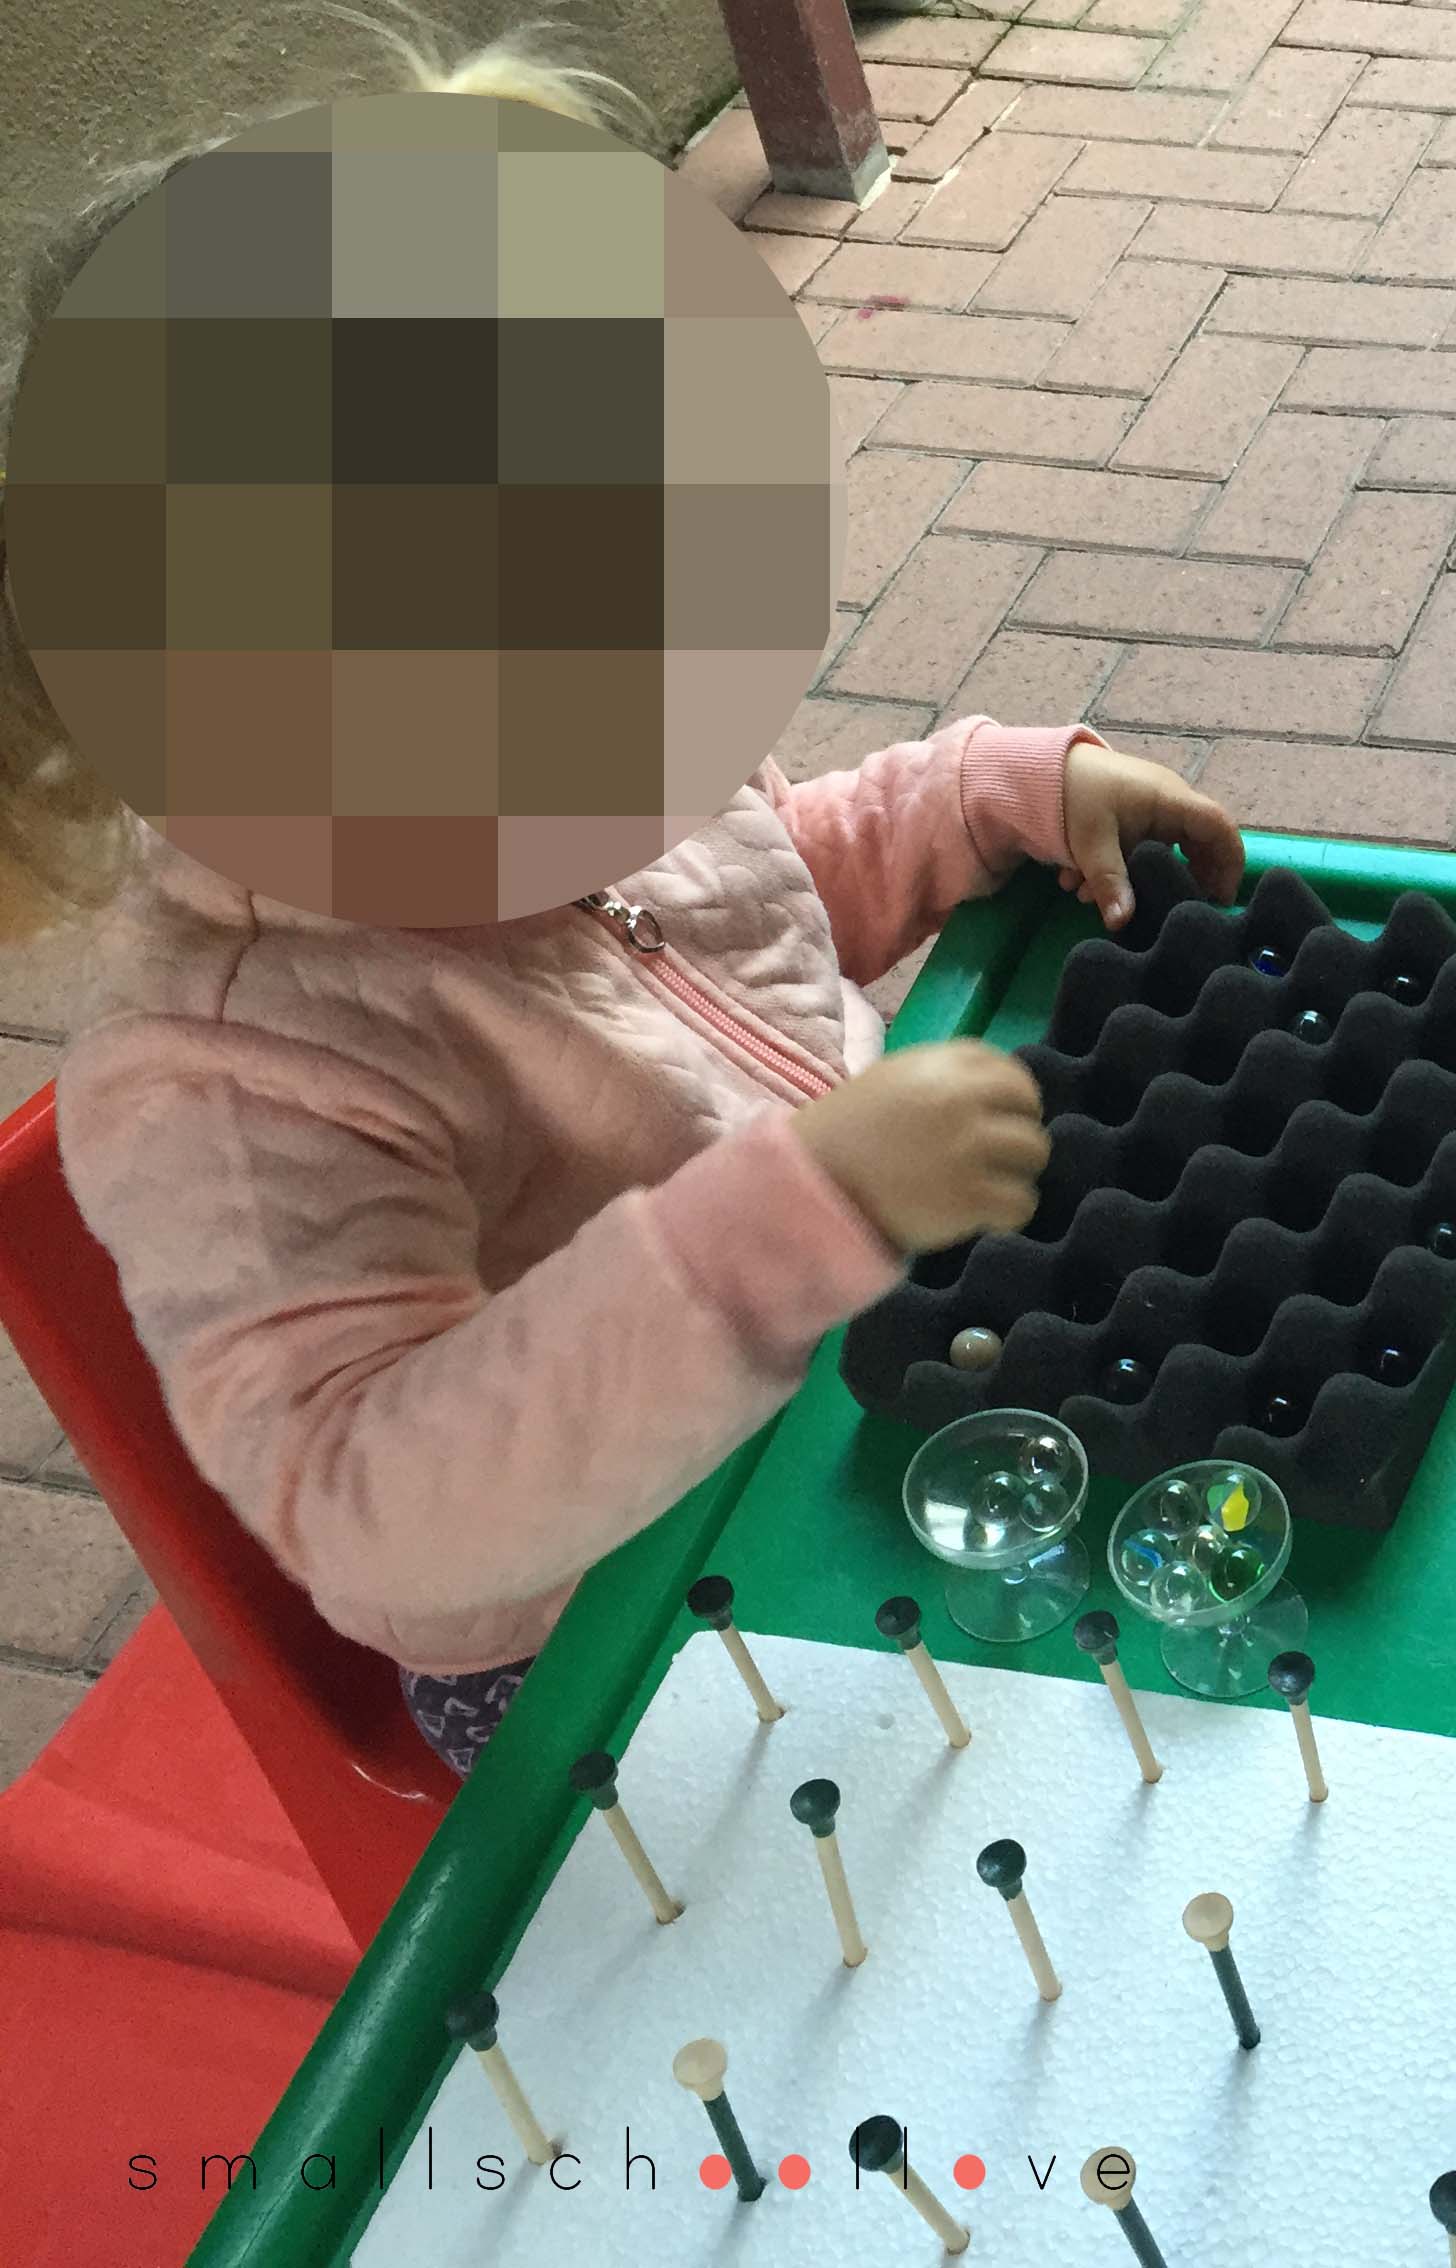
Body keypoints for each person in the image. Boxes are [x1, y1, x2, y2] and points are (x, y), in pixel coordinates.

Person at [0, 21, 1244, 1777]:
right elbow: (371, 1509)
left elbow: (758, 894)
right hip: (609, 1634)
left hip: (833, 1388)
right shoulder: (231, 1084)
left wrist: (978, 798)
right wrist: (788, 1218)